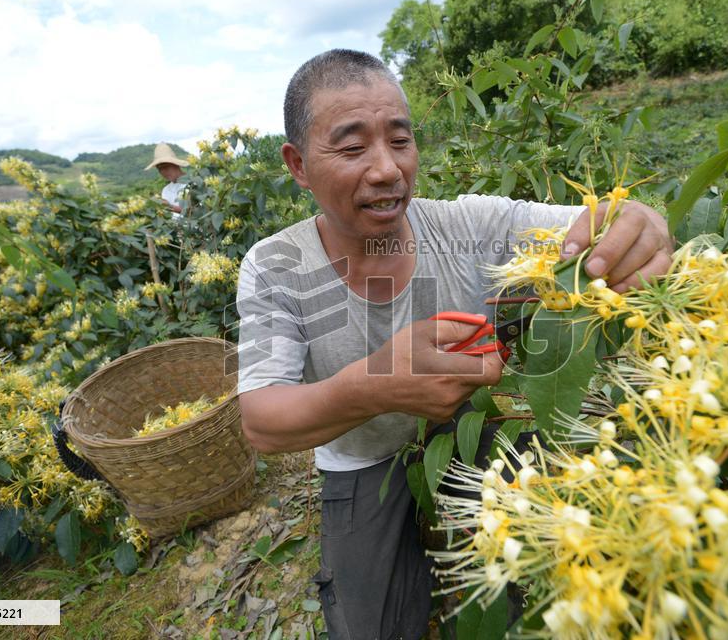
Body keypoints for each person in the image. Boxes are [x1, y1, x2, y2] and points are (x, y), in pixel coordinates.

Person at [235, 49, 673, 639]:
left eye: (400, 140)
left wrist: (635, 223)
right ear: (298, 164)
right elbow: (263, 421)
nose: (388, 168)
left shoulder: (468, 227)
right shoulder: (275, 265)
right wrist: (376, 386)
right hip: (361, 456)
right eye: (352, 146)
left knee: (536, 570)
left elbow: (592, 224)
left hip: (476, 421)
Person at [145, 142, 189, 217]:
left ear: (175, 164)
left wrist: (168, 206)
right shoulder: (166, 190)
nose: (163, 172)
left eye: (165, 167)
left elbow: (188, 211)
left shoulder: (189, 184)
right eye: (159, 169)